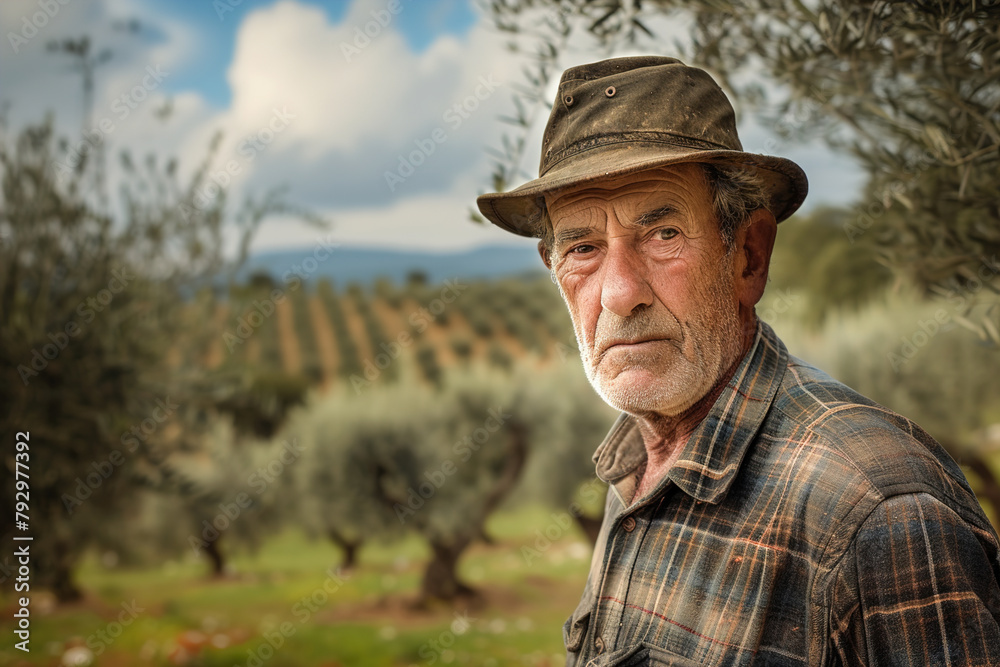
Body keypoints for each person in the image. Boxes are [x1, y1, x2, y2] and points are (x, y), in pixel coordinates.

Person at [477, 56, 1000, 666]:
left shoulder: (880, 514)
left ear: (748, 255)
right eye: (584, 248)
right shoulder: (638, 466)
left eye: (663, 234)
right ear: (556, 273)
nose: (620, 293)